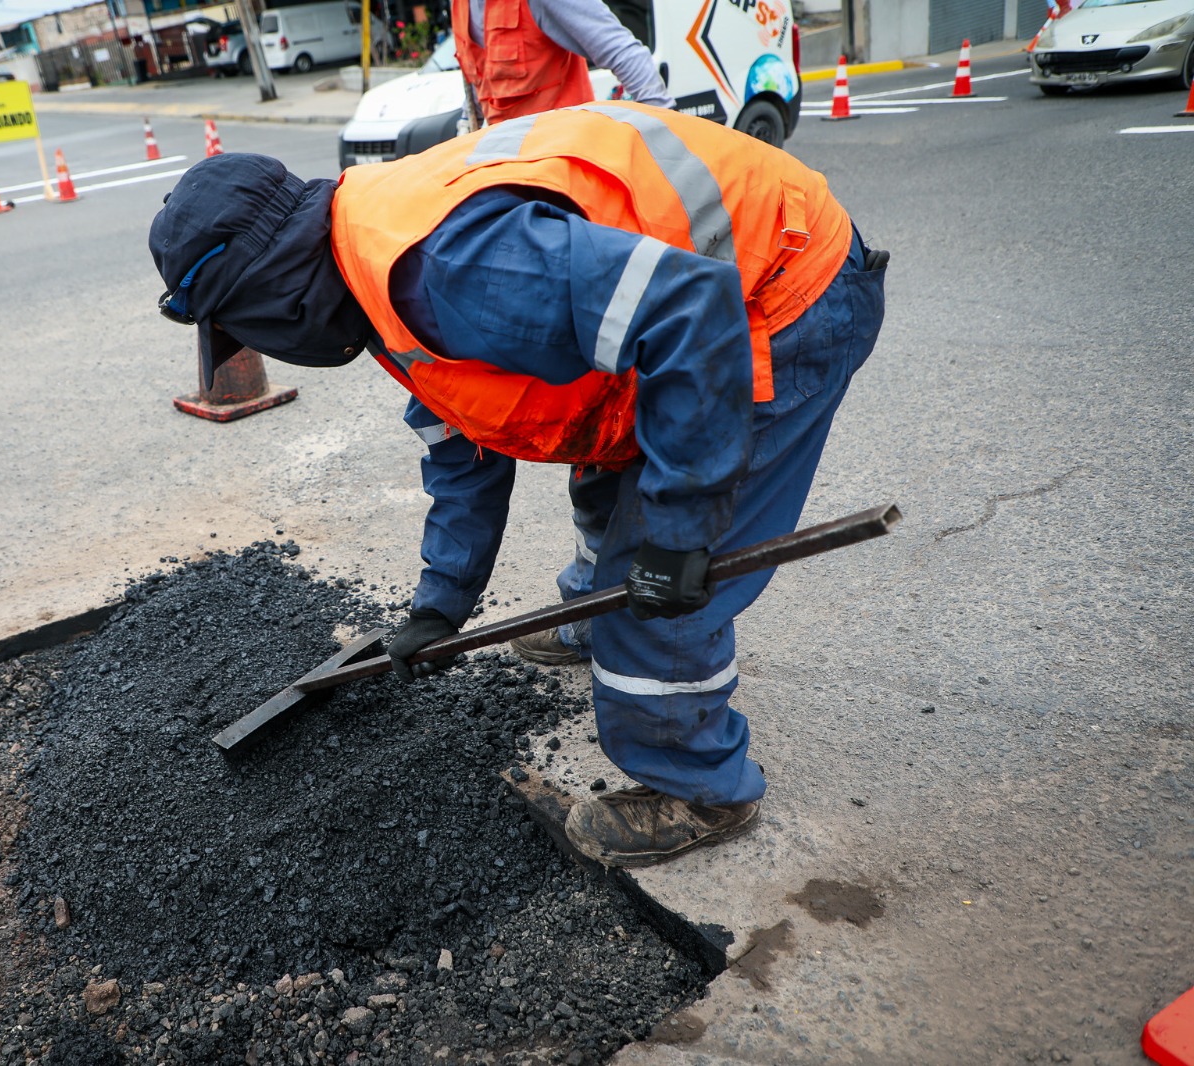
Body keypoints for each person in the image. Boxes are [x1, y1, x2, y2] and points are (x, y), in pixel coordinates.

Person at [148, 102, 887, 866]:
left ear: (268, 296)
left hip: (782, 294)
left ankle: (700, 786)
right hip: (700, 309)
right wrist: (441, 606)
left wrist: (677, 539)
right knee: (609, 489)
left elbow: (693, 315)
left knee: (654, 583)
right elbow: (460, 446)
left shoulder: (445, 267)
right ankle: (599, 617)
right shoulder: (365, 261)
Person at [452, 0, 672, 665]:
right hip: (511, 209)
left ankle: (599, 606)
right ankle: (598, 595)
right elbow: (479, 100)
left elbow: (629, 58)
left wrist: (653, 146)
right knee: (571, 408)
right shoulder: (464, 5)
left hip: (571, 210)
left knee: (598, 408)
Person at [453, 0, 674, 122]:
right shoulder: (460, 5)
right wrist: (465, 127)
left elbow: (625, 54)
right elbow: (481, 85)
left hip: (563, 170)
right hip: (508, 175)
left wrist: (670, 137)